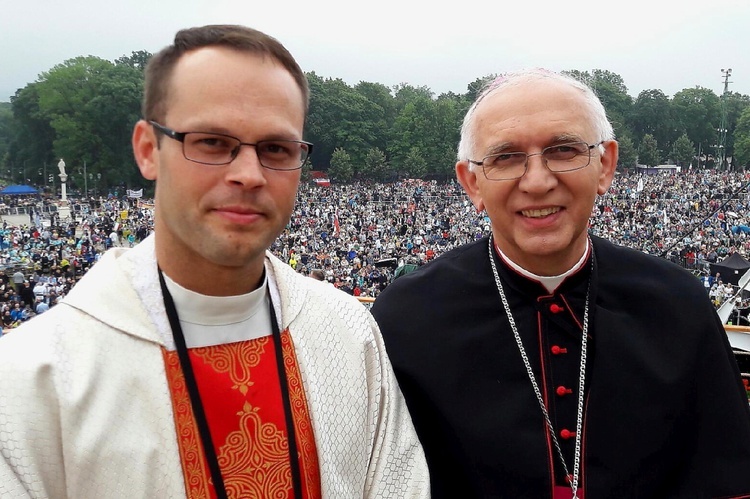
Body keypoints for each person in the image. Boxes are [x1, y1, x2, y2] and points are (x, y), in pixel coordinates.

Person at [0, 25, 427, 498]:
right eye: (211, 142)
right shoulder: (31, 381)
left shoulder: (349, 332)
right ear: (148, 150)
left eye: (276, 149)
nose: (248, 174)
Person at [372, 68, 750, 498]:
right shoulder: (406, 317)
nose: (537, 181)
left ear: (605, 164)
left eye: (564, 150)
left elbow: (726, 480)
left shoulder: (678, 305)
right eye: (506, 157)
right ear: (472, 182)